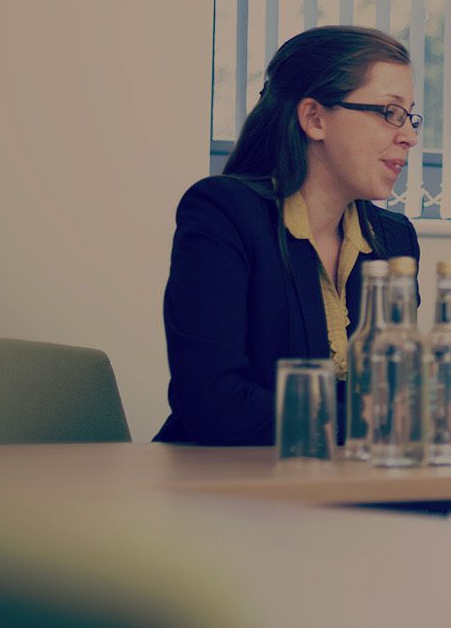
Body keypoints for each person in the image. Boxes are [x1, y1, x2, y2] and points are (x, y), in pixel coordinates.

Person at [156, 26, 421, 445]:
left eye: (409, 116)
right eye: (390, 112)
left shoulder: (393, 240)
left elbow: (395, 398)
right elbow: (214, 401)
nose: (409, 135)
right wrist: (368, 426)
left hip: (349, 488)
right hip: (226, 489)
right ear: (314, 118)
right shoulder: (224, 213)